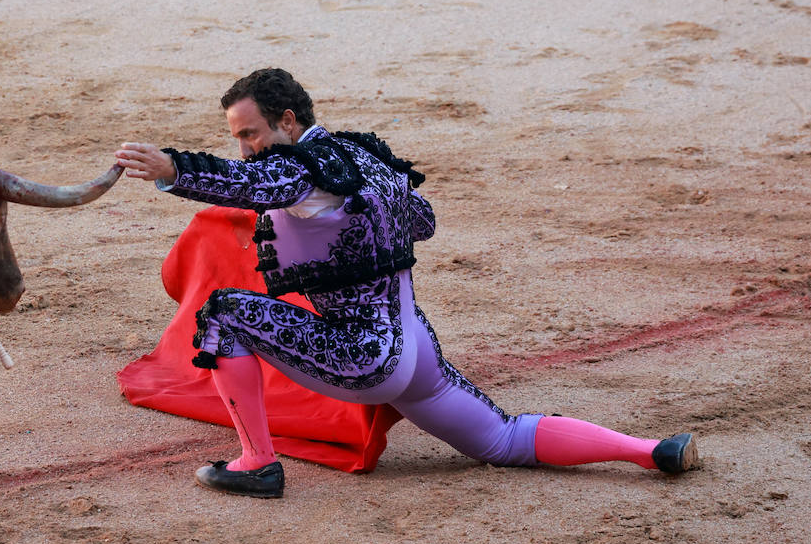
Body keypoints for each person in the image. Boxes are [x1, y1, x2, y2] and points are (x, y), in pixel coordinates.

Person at [114, 68, 699, 498]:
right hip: (415, 348)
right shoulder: (368, 161)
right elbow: (424, 220)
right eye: (238, 138)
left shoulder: (307, 170)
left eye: (251, 134)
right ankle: (650, 451)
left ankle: (256, 462)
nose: (244, 150)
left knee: (223, 312)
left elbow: (253, 187)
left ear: (288, 122)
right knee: (503, 440)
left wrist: (173, 169)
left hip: (363, 356)